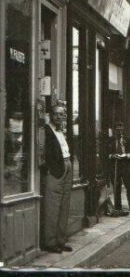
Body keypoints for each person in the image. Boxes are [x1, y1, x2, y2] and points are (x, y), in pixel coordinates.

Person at [41, 104, 73, 253]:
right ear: (50, 115)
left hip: (67, 167)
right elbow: (43, 151)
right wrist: (50, 169)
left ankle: (61, 240)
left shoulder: (61, 131)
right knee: (52, 207)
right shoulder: (46, 130)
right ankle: (50, 242)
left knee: (64, 205)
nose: (58, 117)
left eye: (61, 114)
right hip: (56, 171)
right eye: (56, 114)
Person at [108, 121, 130, 215]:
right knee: (116, 188)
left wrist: (127, 155)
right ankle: (118, 209)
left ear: (123, 129)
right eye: (117, 129)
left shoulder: (127, 140)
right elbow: (106, 154)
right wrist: (112, 156)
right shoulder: (110, 140)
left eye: (121, 129)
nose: (119, 131)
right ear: (114, 130)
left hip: (126, 166)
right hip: (115, 167)